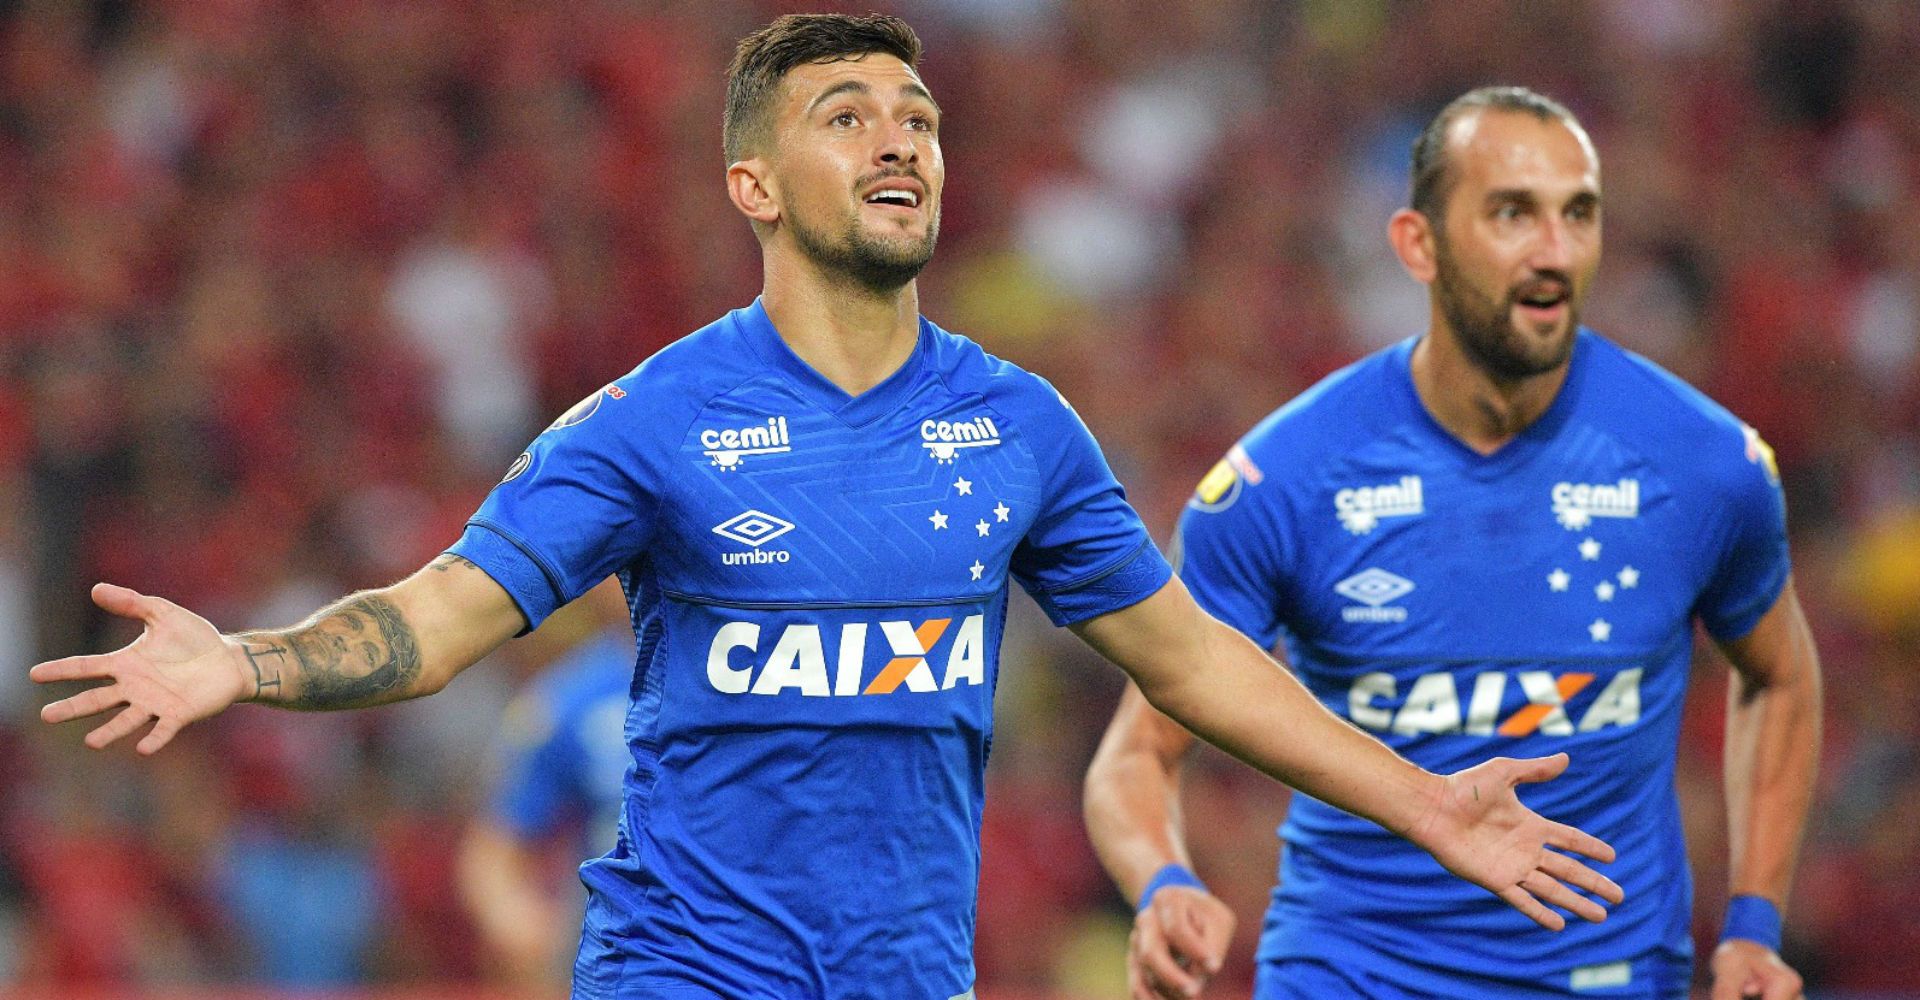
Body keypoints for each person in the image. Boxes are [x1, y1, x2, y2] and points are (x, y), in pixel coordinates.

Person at [31, 21, 1622, 999]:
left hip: (910, 976)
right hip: (684, 976)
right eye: (848, 114)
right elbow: (444, 617)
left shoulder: (1018, 426)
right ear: (753, 187)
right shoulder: (653, 420)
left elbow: (1192, 662)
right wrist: (244, 663)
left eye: (919, 117)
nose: (902, 138)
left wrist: (1419, 797)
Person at [1083, 86, 1822, 1000]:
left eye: (1577, 214)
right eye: (1513, 213)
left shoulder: (1707, 465)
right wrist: (1164, 881)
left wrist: (1753, 923)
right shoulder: (1286, 482)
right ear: (1417, 244)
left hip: (1608, 977)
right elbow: (1135, 755)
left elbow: (1781, 676)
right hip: (1349, 977)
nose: (1554, 252)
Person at [458, 581, 634, 992]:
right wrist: (515, 915)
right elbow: (495, 842)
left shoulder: (754, 679)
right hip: (616, 943)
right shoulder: (564, 700)